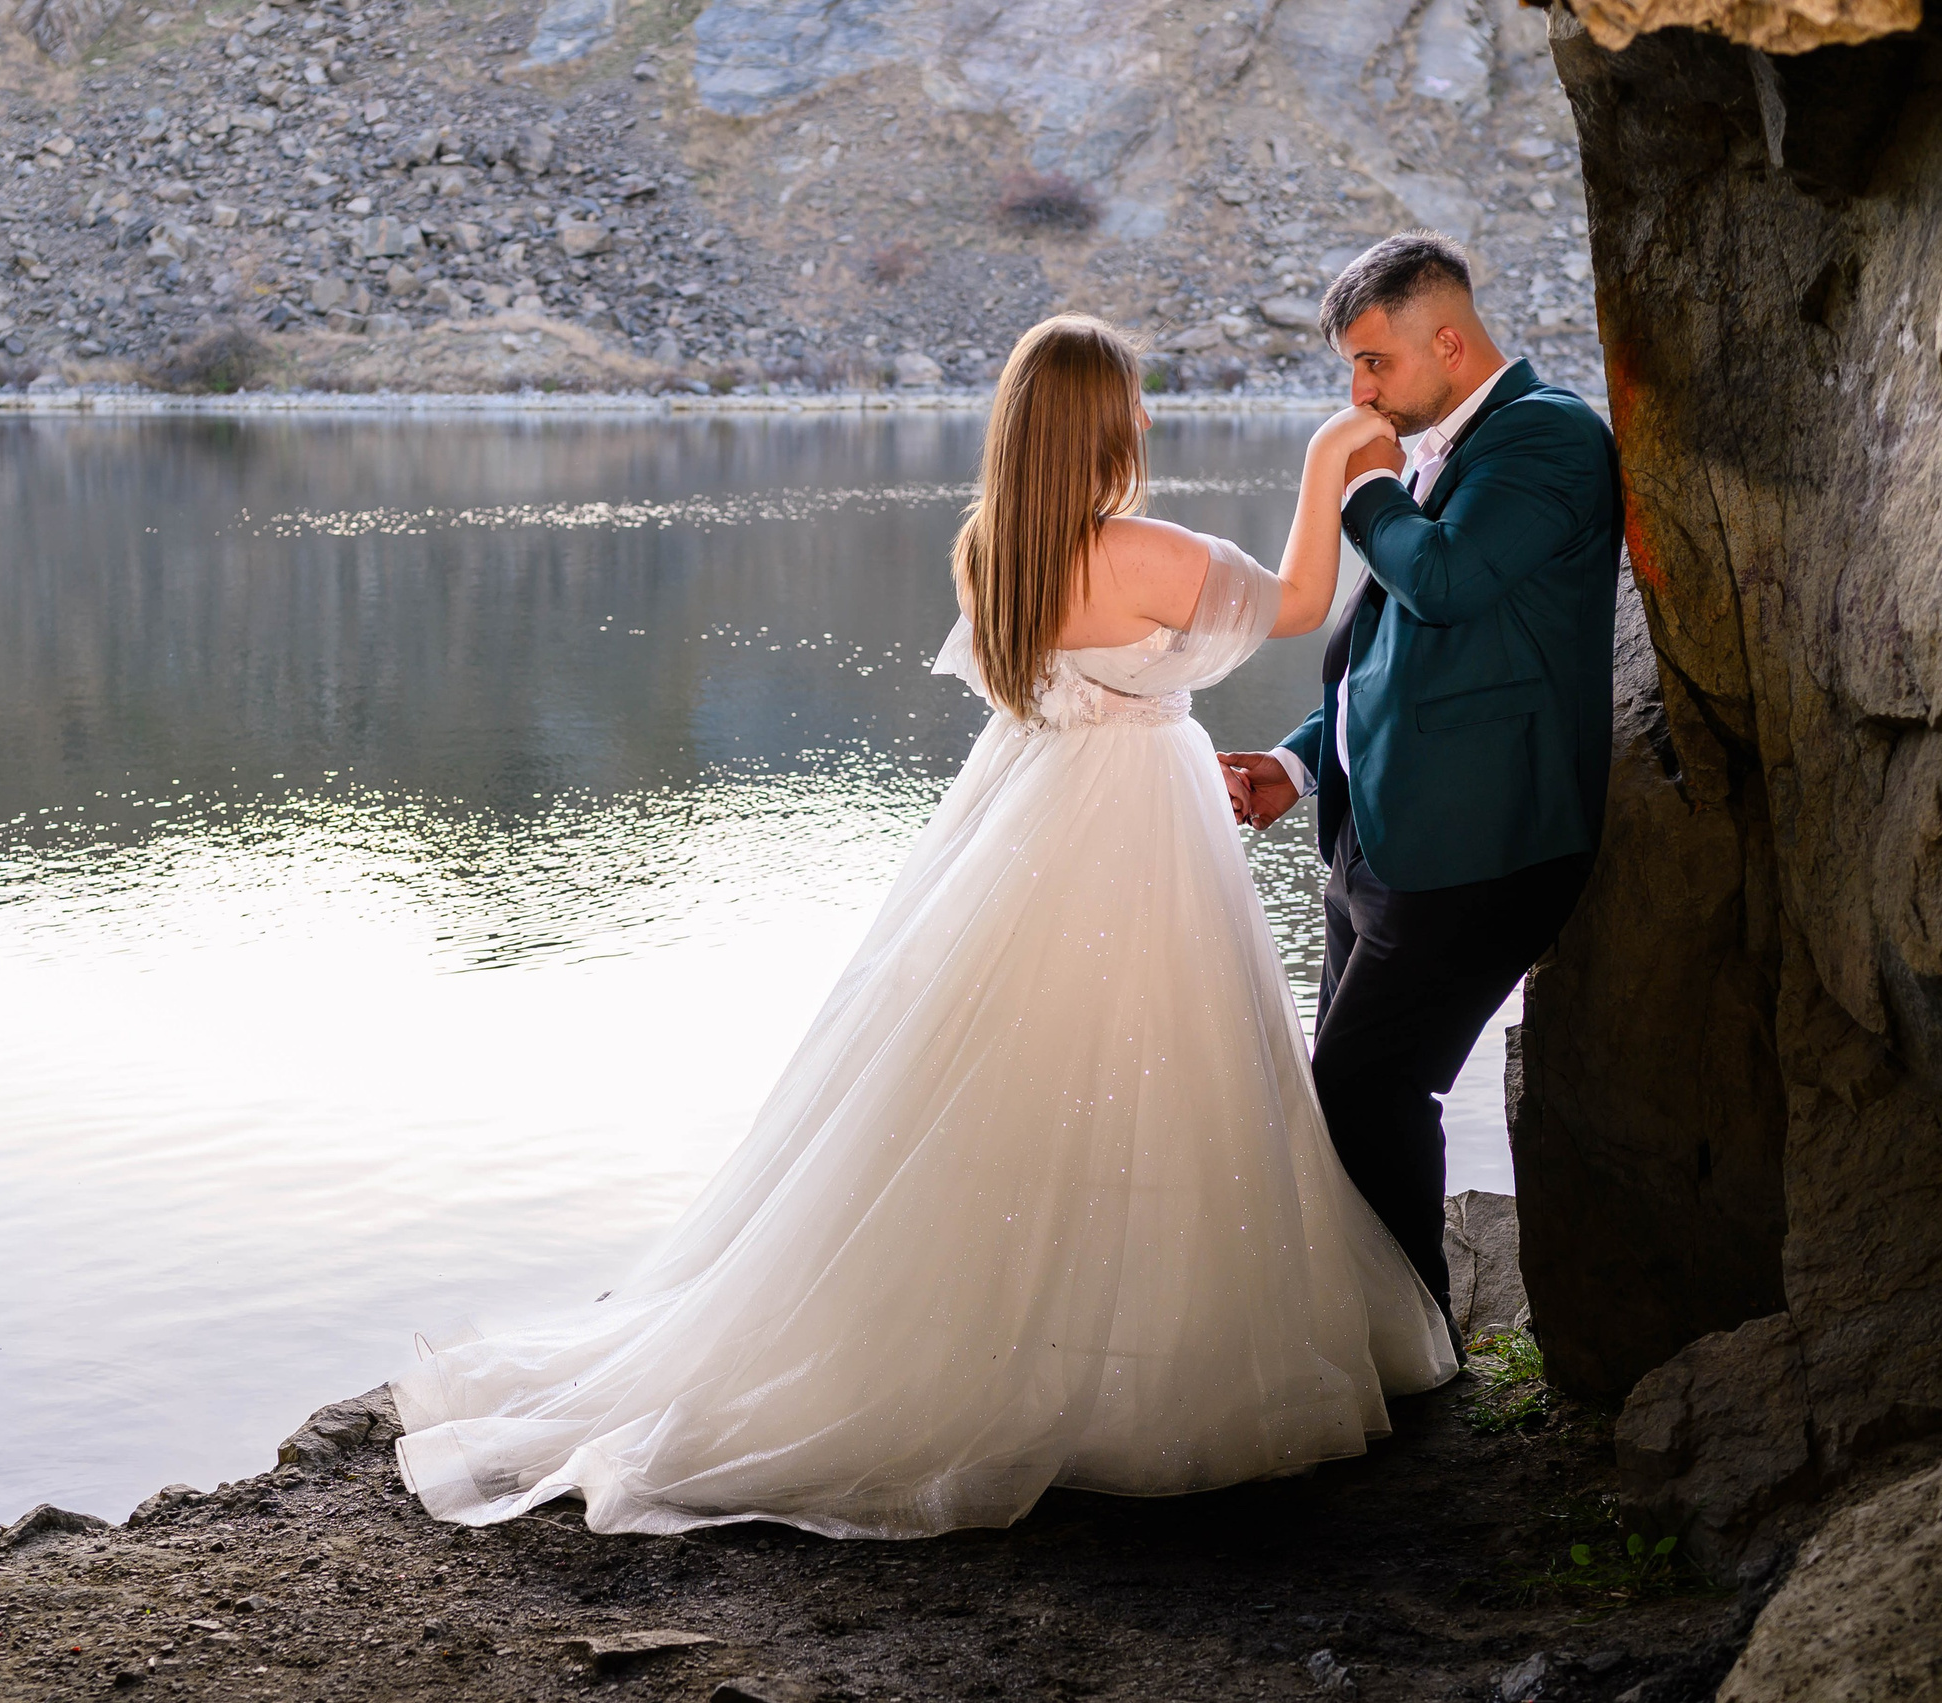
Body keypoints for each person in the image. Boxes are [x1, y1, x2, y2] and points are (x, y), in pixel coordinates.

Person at [388, 315, 1457, 1541]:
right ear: (1099, 425)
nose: (1149, 421)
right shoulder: (1145, 552)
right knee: (1158, 1065)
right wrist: (1332, 454)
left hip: (1029, 807)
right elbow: (1302, 601)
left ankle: (1000, 1325)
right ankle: (1120, 1358)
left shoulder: (985, 552)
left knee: (993, 1067)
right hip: (1136, 825)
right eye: (1133, 403)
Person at [1220, 232, 1623, 1325]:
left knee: (1366, 1085)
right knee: (1347, 1092)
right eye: (1349, 369)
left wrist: (1362, 493)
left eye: (1372, 363)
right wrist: (1299, 765)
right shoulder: (1440, 447)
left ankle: (1413, 1346)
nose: (1357, 391)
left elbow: (1440, 583)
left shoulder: (1548, 438)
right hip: (1379, 834)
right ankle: (1368, 1329)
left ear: (1447, 340)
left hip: (1480, 842)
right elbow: (1394, 654)